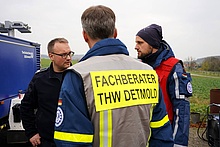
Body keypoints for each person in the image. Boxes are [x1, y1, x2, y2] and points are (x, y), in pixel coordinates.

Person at [54, 5, 173, 147]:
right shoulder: (148, 72)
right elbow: (161, 133)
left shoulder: (79, 75)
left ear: (85, 35)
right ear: (115, 33)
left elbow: (72, 141)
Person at [135, 24, 193, 147]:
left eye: (140, 43)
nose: (136, 47)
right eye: (136, 43)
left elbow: (182, 109)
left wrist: (178, 143)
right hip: (143, 136)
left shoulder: (173, 67)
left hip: (164, 137)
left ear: (153, 44)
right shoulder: (139, 67)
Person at [20, 38, 73, 147]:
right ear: (51, 56)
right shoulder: (40, 79)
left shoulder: (78, 77)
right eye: (63, 55)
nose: (68, 58)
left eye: (69, 53)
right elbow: (26, 107)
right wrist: (31, 133)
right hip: (47, 141)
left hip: (73, 141)